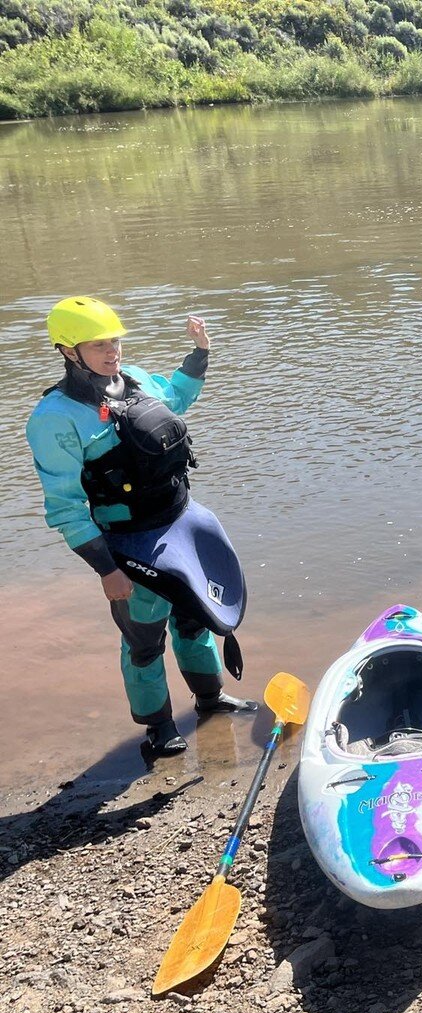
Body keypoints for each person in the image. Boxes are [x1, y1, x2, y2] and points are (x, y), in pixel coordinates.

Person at [26, 297, 256, 755]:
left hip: (181, 521)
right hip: (131, 543)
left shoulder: (134, 380)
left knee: (195, 619)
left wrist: (199, 354)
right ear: (69, 351)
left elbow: (177, 397)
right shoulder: (54, 419)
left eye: (114, 341)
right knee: (144, 640)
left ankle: (210, 701)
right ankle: (158, 727)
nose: (112, 351)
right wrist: (106, 570)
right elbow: (66, 508)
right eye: (98, 345)